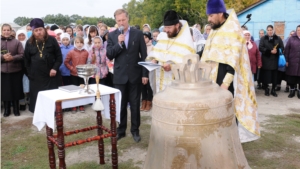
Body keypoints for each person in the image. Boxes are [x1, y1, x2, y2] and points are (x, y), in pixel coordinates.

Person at [201, 0, 260, 143]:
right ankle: (217, 138)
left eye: (211, 16)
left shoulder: (232, 30)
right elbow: (208, 53)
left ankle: (230, 141)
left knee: (228, 110)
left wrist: (225, 83)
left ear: (220, 13)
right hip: (212, 78)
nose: (209, 20)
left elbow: (233, 61)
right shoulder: (215, 30)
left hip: (226, 79)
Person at [106, 9, 148, 143]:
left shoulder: (138, 33)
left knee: (135, 104)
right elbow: (109, 54)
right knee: (121, 104)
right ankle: (121, 130)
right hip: (119, 75)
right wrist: (119, 44)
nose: (121, 23)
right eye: (118, 21)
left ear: (127, 19)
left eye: (123, 20)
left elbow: (144, 56)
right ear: (116, 21)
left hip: (135, 75)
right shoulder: (112, 35)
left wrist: (144, 73)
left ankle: (135, 130)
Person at [147, 10, 195, 93]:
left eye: (169, 27)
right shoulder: (164, 36)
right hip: (160, 80)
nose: (166, 30)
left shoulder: (186, 40)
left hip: (177, 84)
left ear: (177, 25)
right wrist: (154, 60)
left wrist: (172, 67)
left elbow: (190, 63)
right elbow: (156, 53)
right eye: (165, 27)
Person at [24, 18, 62, 113]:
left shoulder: (52, 40)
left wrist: (54, 69)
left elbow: (59, 57)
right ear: (33, 31)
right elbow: (26, 60)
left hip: (51, 75)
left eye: (40, 29)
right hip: (36, 77)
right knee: (37, 97)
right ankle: (39, 114)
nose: (38, 32)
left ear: (44, 29)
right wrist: (30, 74)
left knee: (51, 96)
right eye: (36, 30)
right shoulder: (29, 42)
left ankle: (52, 112)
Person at [1, 24, 24, 117]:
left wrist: (13, 58)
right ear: (1, 31)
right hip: (2, 71)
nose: (6, 32)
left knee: (16, 90)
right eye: (4, 30)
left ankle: (16, 108)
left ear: (11, 31)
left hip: (15, 70)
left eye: (8, 30)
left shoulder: (17, 42)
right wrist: (2, 57)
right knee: (5, 91)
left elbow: (22, 55)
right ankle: (6, 109)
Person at [64, 36, 88, 113]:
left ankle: (81, 105)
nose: (79, 44)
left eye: (81, 42)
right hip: (73, 74)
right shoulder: (71, 52)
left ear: (83, 44)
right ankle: (74, 105)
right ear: (75, 43)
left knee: (82, 89)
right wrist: (72, 68)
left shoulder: (86, 52)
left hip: (83, 74)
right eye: (77, 42)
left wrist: (86, 69)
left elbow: (88, 62)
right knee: (74, 90)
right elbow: (66, 62)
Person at [259, 25, 284, 97]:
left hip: (274, 60)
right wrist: (270, 51)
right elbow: (260, 48)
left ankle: (273, 89)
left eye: (271, 30)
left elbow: (282, 47)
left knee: (274, 76)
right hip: (266, 60)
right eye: (268, 30)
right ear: (266, 31)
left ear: (273, 30)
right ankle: (266, 89)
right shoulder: (263, 38)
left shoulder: (278, 38)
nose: (270, 31)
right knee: (266, 76)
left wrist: (277, 51)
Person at [284, 25, 300, 99]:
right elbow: (287, 50)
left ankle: (299, 92)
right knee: (291, 78)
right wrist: (286, 60)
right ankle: (292, 91)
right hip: (292, 61)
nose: (299, 31)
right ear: (296, 31)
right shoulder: (291, 39)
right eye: (298, 30)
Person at [16, 29, 30, 111]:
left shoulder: (29, 44)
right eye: (19, 35)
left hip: (28, 68)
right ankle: (22, 102)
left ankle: (30, 101)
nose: (21, 37)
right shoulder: (15, 44)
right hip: (18, 68)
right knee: (20, 86)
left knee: (29, 85)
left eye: (23, 35)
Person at [140, 31, 154, 112]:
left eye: (146, 37)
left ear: (149, 38)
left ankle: (149, 102)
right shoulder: (140, 47)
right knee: (143, 87)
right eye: (143, 37)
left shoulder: (152, 47)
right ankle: (143, 102)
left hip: (149, 70)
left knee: (149, 87)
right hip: (141, 70)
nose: (144, 39)